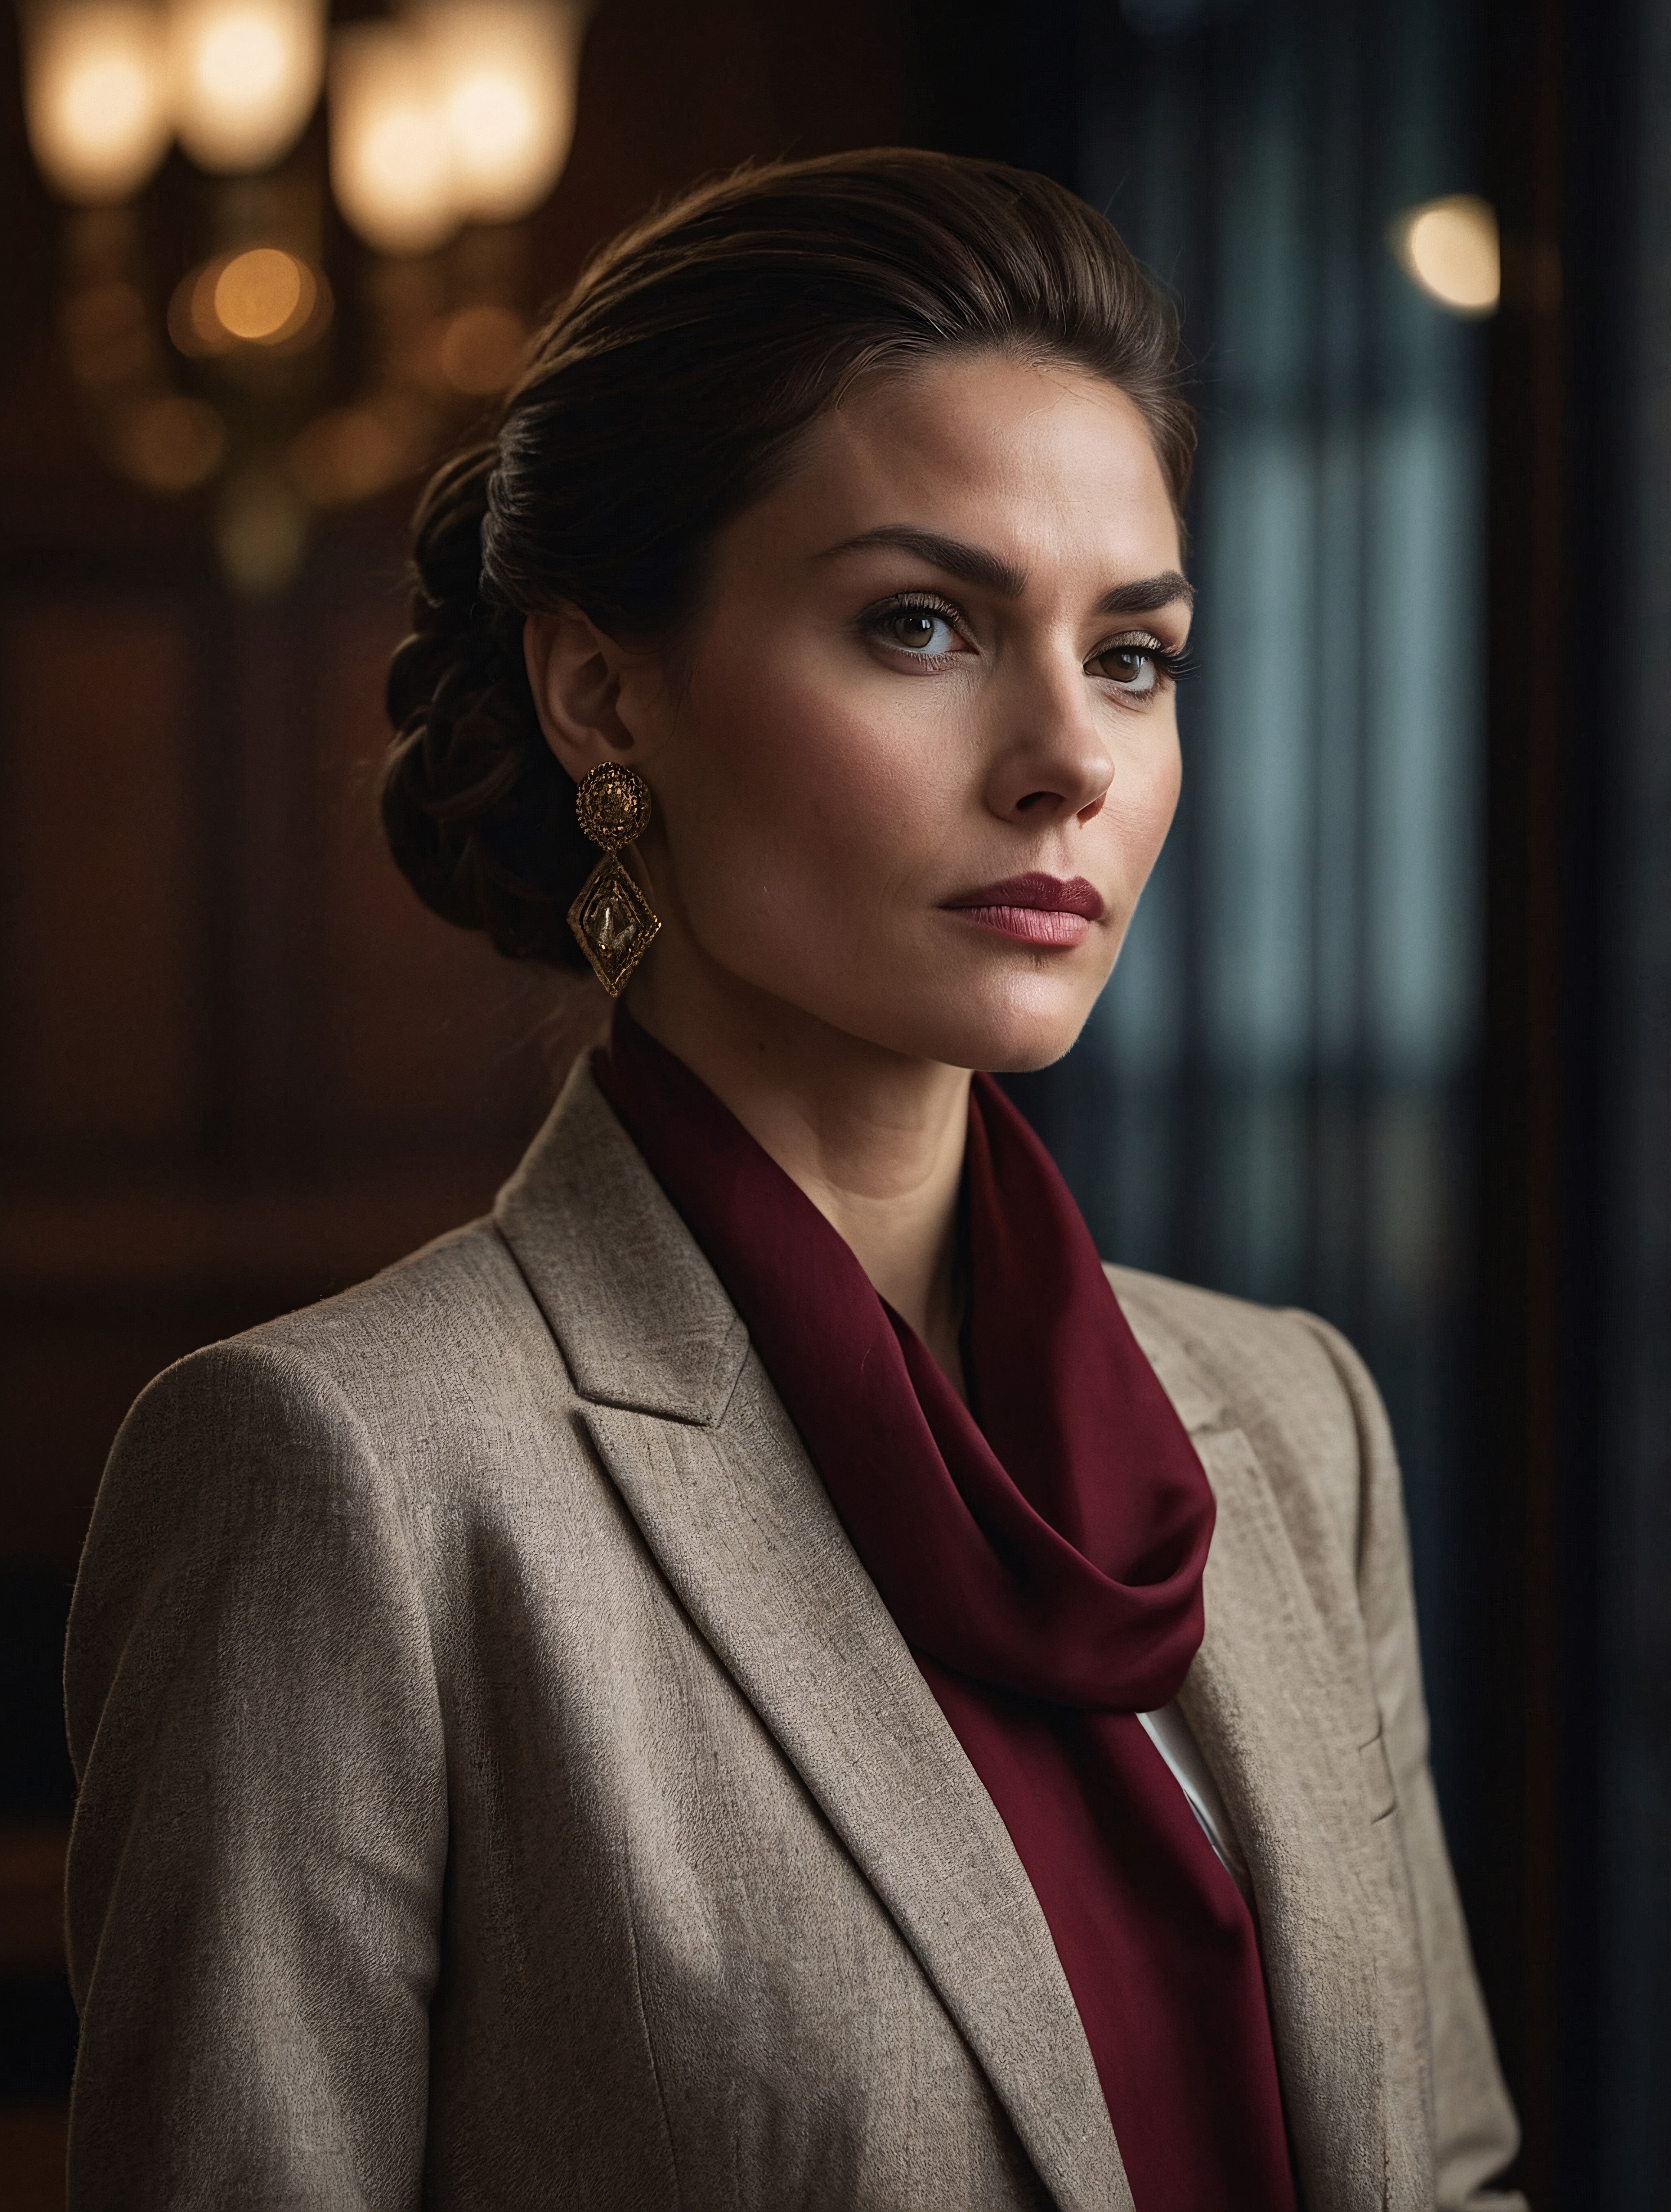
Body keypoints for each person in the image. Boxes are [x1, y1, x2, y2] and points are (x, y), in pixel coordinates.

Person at [63, 150, 1526, 2212]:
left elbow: (1444, 2174)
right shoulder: (349, 1482)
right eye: (923, 624)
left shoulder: (1294, 1425)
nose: (1068, 762)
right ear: (602, 690)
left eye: (1133, 654)